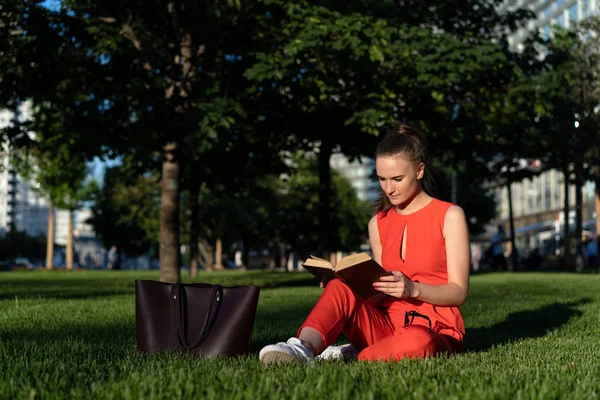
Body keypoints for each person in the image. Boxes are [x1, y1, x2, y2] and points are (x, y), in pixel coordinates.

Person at [259, 123, 470, 364]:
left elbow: (459, 292)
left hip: (435, 331)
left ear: (419, 170)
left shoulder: (450, 215)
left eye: (397, 179)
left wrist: (413, 289)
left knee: (418, 341)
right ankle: (302, 349)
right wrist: (345, 286)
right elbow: (377, 294)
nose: (388, 188)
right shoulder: (377, 223)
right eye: (382, 179)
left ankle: (354, 355)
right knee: (340, 288)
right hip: (384, 325)